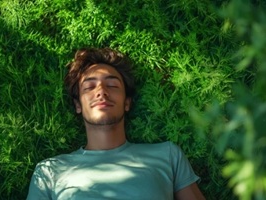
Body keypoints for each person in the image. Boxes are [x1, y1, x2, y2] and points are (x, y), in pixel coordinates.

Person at [27, 48, 205, 200]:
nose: (101, 92)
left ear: (127, 103)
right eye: (89, 87)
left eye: (112, 85)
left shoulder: (167, 155)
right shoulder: (49, 171)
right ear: (78, 105)